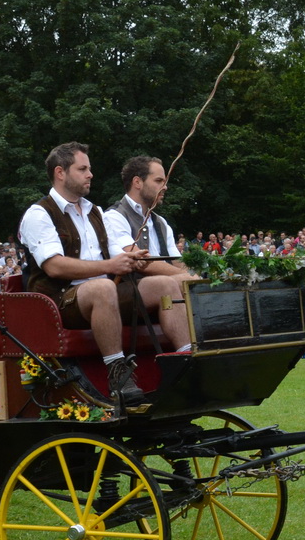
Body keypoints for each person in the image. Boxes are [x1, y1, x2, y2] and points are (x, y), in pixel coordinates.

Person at [17, 142, 148, 404]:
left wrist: (133, 258)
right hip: (59, 302)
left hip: (102, 297)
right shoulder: (39, 214)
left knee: (164, 287)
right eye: (83, 169)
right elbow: (54, 266)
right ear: (60, 172)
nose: (90, 174)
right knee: (102, 287)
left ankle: (185, 361)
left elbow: (115, 251)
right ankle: (117, 373)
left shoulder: (95, 212)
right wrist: (111, 267)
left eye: (89, 169)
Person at [107, 155, 197, 347]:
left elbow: (176, 261)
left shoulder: (161, 223)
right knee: (179, 283)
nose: (165, 187)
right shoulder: (113, 217)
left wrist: (199, 272)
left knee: (206, 283)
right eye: (158, 181)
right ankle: (187, 354)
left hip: (166, 287)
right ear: (137, 182)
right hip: (126, 290)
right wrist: (188, 277)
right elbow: (142, 263)